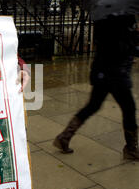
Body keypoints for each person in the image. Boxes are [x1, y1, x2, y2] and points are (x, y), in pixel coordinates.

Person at [53, 14, 139, 160]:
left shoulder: (104, 18)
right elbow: (122, 48)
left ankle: (64, 137)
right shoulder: (123, 20)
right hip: (116, 74)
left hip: (102, 72)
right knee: (129, 108)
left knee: (93, 106)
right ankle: (131, 149)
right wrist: (134, 37)